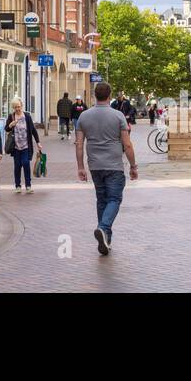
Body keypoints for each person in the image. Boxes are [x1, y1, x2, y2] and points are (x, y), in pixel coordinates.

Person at [75, 82, 139, 255]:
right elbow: (127, 144)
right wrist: (133, 166)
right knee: (114, 199)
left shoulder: (84, 117)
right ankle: (103, 228)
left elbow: (79, 144)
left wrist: (81, 167)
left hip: (95, 165)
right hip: (114, 166)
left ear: (95, 95)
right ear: (110, 95)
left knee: (101, 200)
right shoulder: (118, 116)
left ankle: (105, 239)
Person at [6, 99, 41, 193]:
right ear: (13, 108)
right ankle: (17, 186)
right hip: (16, 146)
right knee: (17, 166)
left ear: (22, 106)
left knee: (25, 163)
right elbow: (6, 129)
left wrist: (38, 142)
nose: (17, 108)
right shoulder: (11, 116)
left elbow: (33, 130)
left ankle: (28, 186)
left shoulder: (27, 116)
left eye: (19, 106)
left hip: (26, 145)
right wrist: (10, 125)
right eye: (15, 107)